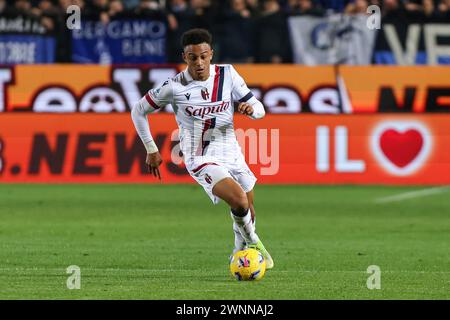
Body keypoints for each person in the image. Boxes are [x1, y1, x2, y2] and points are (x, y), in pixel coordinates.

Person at [131, 28, 274, 269]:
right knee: (239, 201)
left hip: (232, 152)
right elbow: (139, 110)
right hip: (200, 156)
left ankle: (239, 252)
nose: (199, 62)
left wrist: (252, 111)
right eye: (193, 57)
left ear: (211, 55)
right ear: (184, 57)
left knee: (248, 209)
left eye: (204, 56)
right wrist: (151, 148)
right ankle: (256, 245)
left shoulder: (228, 74)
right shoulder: (174, 87)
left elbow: (258, 107)